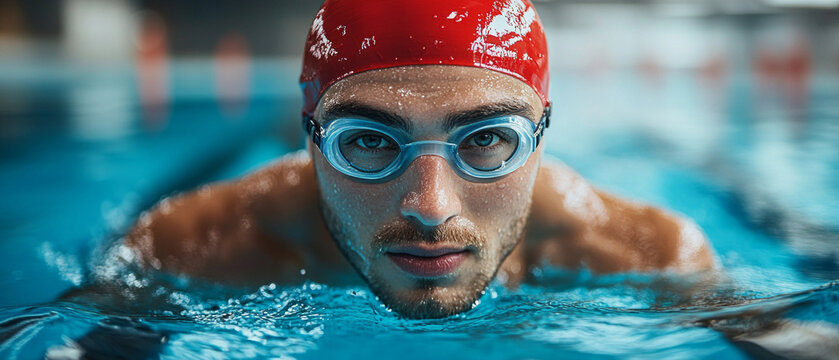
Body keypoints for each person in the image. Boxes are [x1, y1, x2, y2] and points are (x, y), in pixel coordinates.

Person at [125, 0, 716, 319]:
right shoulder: (187, 247)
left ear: (541, 136)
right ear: (310, 138)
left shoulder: (653, 255)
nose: (431, 207)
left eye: (486, 141)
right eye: (370, 141)